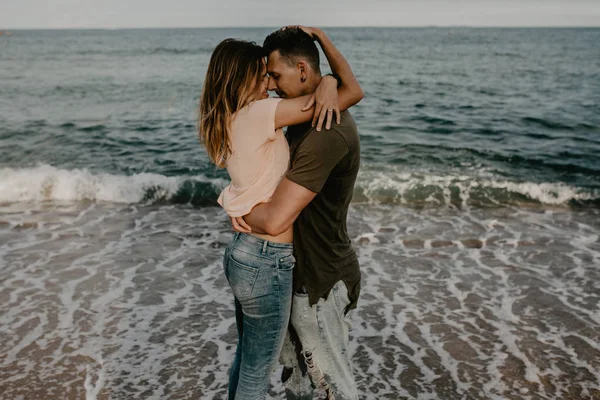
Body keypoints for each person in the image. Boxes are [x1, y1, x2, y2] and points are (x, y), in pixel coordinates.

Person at [198, 29, 363, 400]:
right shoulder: (259, 113)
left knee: (247, 362)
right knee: (258, 373)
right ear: (243, 80)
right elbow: (352, 94)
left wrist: (236, 206)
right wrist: (331, 81)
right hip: (266, 258)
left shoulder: (234, 115)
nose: (269, 85)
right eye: (262, 75)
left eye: (272, 75)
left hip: (244, 253)